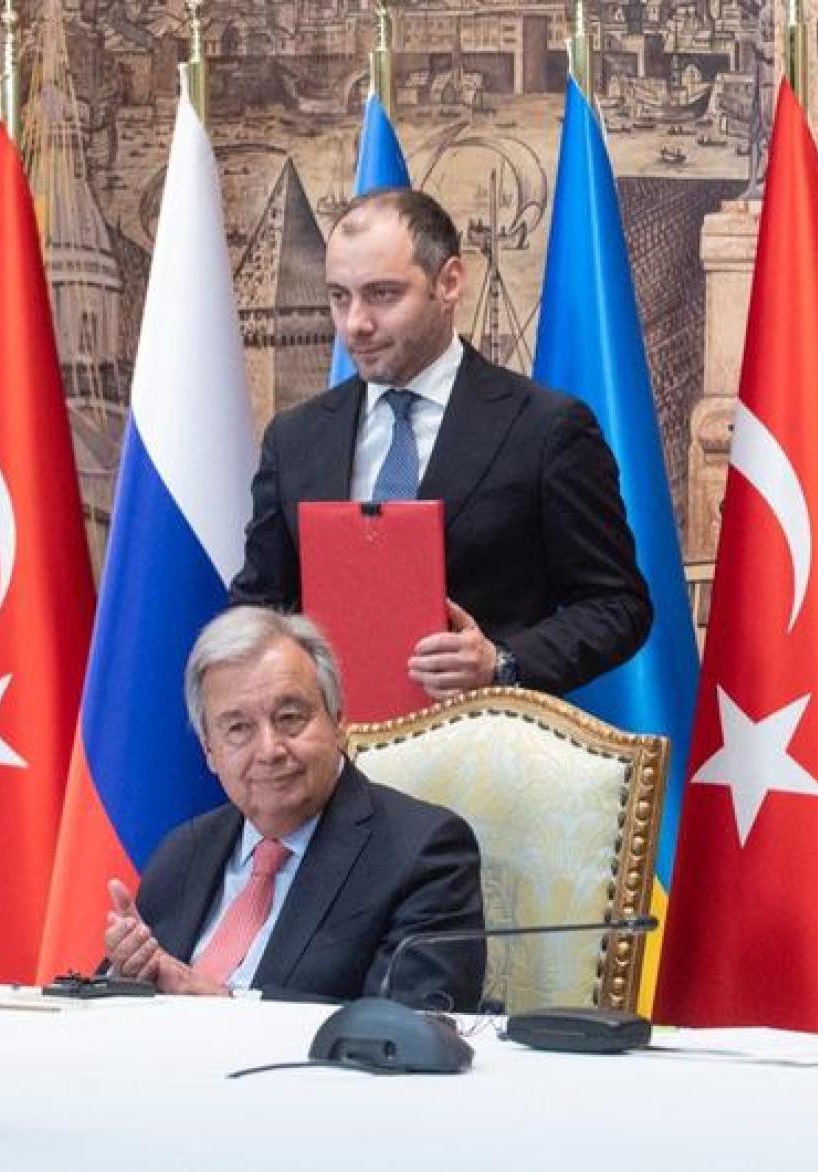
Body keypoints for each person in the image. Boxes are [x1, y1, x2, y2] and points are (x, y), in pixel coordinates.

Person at [229, 188, 652, 698]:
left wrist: (502, 662)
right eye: (340, 296)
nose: (355, 324)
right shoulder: (294, 437)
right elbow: (259, 608)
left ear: (448, 282)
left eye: (382, 294)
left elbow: (617, 605)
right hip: (333, 762)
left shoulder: (547, 429)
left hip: (479, 753)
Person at [102, 607, 485, 1008]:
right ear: (209, 751)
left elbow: (411, 1028)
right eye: (238, 729)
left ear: (338, 721)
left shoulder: (424, 853)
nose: (270, 750)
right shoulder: (183, 851)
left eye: (290, 718)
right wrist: (129, 975)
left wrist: (225, 1005)